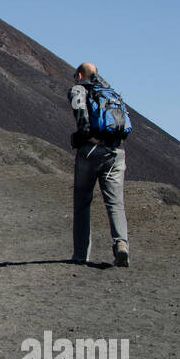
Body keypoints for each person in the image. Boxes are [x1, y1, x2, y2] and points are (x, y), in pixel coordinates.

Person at [68, 62, 129, 267]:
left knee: (83, 202)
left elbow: (83, 123)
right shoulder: (110, 93)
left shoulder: (79, 90)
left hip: (91, 152)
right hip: (116, 153)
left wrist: (80, 138)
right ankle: (121, 244)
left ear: (79, 75)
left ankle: (80, 254)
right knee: (115, 203)